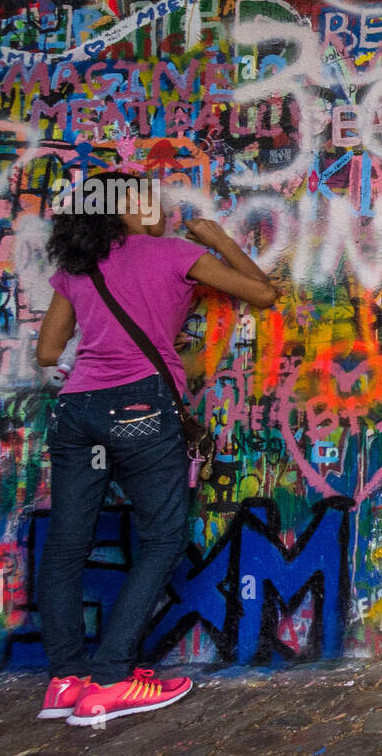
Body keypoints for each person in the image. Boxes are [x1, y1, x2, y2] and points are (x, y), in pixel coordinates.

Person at [34, 172, 278, 726]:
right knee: (164, 536)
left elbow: (50, 350)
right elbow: (263, 294)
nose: (161, 210)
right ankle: (114, 677)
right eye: (151, 201)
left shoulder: (77, 265)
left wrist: (95, 372)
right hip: (141, 408)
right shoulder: (174, 253)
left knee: (68, 544)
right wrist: (217, 239)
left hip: (76, 413)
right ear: (126, 208)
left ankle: (66, 681)